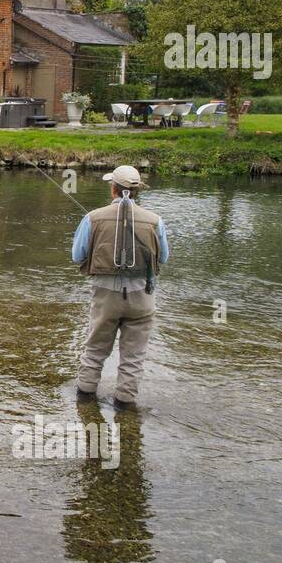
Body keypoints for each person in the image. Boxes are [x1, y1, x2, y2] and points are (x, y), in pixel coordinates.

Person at [70, 165, 169, 407]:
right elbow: (163, 258)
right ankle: (125, 407)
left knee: (95, 350)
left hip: (105, 297)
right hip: (142, 297)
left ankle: (84, 401)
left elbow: (76, 256)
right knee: (133, 357)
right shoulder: (155, 221)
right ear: (136, 192)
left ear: (113, 188)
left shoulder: (92, 217)